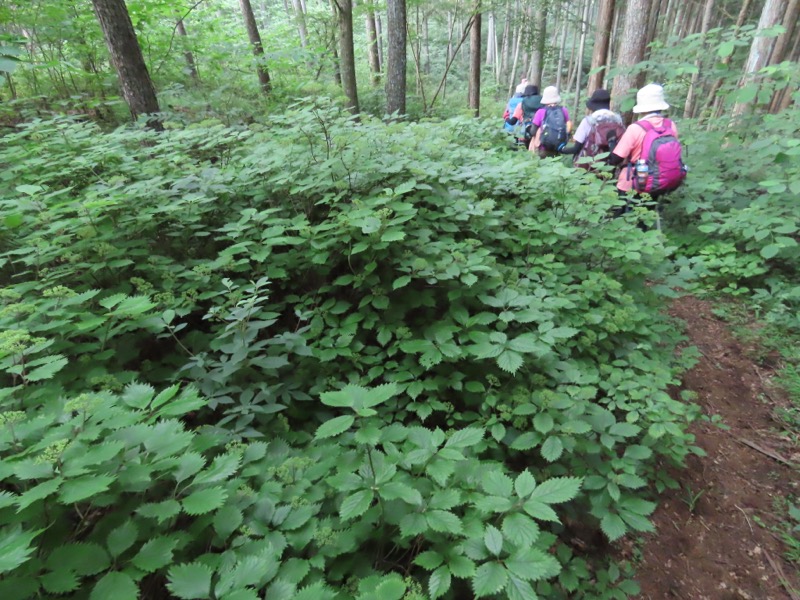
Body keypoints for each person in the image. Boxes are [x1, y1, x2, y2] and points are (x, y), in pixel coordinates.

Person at [608, 83, 685, 223]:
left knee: (622, 220)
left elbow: (616, 158)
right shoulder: (670, 125)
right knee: (644, 219)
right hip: (656, 181)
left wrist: (612, 146)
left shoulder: (636, 128)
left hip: (631, 183)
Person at [558, 88, 625, 170]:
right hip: (610, 166)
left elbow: (576, 148)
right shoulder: (618, 120)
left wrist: (561, 149)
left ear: (593, 105)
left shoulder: (588, 121)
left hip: (589, 166)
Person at [528, 86, 571, 158]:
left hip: (544, 147)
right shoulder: (564, 110)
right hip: (559, 146)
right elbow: (568, 125)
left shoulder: (541, 112)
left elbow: (533, 131)